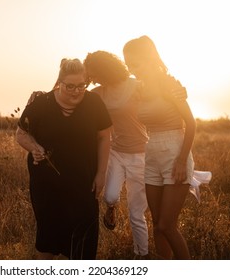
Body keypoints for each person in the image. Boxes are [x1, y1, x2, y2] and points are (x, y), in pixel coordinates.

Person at [15, 58, 112, 260]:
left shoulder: (94, 103)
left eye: (81, 86)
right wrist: (35, 147)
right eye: (70, 86)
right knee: (48, 239)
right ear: (59, 83)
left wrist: (101, 173)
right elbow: (21, 134)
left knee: (83, 240)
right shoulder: (41, 103)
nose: (76, 91)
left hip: (84, 182)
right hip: (47, 186)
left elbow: (104, 137)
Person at [122, 35, 197, 259]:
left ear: (149, 58)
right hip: (151, 155)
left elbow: (191, 123)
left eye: (135, 64)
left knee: (167, 225)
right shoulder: (139, 88)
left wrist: (182, 160)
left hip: (175, 153)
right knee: (156, 224)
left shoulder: (169, 83)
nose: (131, 70)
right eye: (128, 65)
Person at [83, 51, 149, 258]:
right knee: (110, 196)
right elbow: (69, 92)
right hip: (116, 153)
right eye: (90, 76)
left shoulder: (136, 85)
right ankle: (111, 208)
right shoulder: (97, 93)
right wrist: (41, 94)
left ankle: (142, 255)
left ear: (105, 69)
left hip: (141, 154)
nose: (93, 79)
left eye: (94, 74)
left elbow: (160, 97)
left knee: (136, 213)